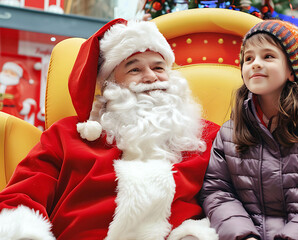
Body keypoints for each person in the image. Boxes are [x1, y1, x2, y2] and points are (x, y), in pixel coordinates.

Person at [0, 19, 220, 240]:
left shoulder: (206, 137)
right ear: (109, 84)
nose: (151, 77)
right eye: (135, 69)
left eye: (158, 67)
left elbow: (230, 201)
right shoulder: (66, 134)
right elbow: (21, 196)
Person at [200, 19, 298, 240]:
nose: (255, 63)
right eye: (248, 58)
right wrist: (242, 235)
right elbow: (217, 192)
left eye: (268, 56)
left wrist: (295, 236)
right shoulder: (230, 132)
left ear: (291, 70)